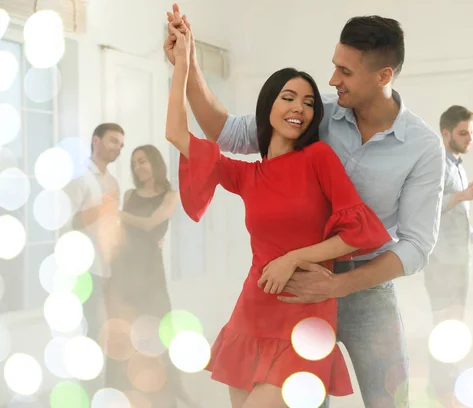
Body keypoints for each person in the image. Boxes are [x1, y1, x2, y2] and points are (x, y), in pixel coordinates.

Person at [165, 4, 445, 406]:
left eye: (346, 72)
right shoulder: (314, 116)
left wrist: (337, 284)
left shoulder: (422, 147)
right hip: (292, 293)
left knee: (390, 400)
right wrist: (187, 61)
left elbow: (417, 246)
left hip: (368, 289)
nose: (333, 80)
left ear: (383, 76)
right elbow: (223, 132)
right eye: (335, 66)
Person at [105, 145, 198, 407]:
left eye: (143, 161)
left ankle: (176, 388)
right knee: (125, 332)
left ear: (155, 163)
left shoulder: (171, 195)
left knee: (162, 330)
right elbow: (123, 233)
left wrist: (117, 213)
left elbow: (150, 223)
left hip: (150, 271)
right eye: (134, 163)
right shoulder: (130, 194)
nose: (138, 167)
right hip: (125, 269)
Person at [425, 106, 473, 405]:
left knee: (457, 327)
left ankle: (451, 387)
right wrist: (462, 195)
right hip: (440, 260)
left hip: (461, 260)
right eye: (463, 133)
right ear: (446, 133)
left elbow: (460, 220)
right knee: (444, 328)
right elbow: (428, 208)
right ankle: (442, 392)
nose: (469, 139)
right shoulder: (434, 165)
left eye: (472, 133)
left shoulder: (458, 166)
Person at [62, 123, 125, 398]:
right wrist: (103, 207)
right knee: (89, 333)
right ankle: (87, 395)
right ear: (96, 141)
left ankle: (105, 391)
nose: (118, 148)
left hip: (109, 268)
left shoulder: (113, 182)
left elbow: (113, 226)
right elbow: (70, 222)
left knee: (109, 332)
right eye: (113, 141)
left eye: (121, 145)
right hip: (84, 270)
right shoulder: (78, 177)